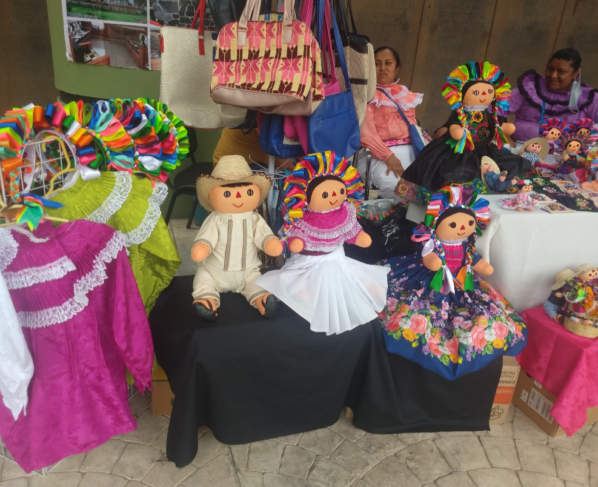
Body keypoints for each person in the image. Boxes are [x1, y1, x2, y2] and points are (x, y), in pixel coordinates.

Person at [400, 61, 532, 195]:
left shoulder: (486, 114)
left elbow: (493, 128)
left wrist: (503, 128)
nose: (483, 96)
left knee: (512, 163)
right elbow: (454, 128)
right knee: (456, 172)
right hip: (459, 149)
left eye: (489, 92)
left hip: (484, 148)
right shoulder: (461, 113)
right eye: (477, 92)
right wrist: (457, 130)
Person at [357, 46, 423, 200]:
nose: (382, 68)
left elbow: (413, 127)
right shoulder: (365, 95)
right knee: (397, 186)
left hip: (410, 150)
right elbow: (366, 134)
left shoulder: (405, 94)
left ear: (396, 68)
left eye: (388, 63)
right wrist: (387, 156)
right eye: (377, 63)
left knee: (426, 183)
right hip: (377, 152)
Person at [504, 48, 598, 146]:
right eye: (550, 69)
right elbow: (497, 109)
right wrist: (506, 139)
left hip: (567, 154)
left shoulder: (588, 98)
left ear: (575, 74)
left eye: (561, 71)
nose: (553, 75)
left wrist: (589, 146)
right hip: (520, 149)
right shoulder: (531, 89)